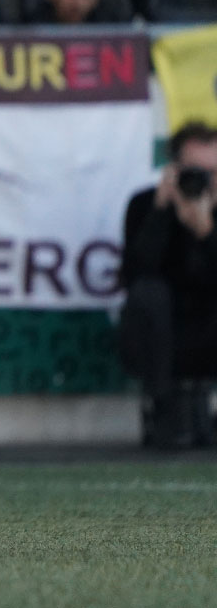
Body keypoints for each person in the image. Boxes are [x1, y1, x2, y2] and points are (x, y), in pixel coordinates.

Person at [119, 121, 217, 448]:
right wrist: (163, 212)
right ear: (174, 169)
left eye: (213, 171)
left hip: (209, 331)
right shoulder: (145, 205)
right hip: (160, 335)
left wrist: (205, 231)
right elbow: (134, 274)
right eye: (196, 171)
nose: (205, 180)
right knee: (149, 293)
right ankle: (163, 406)